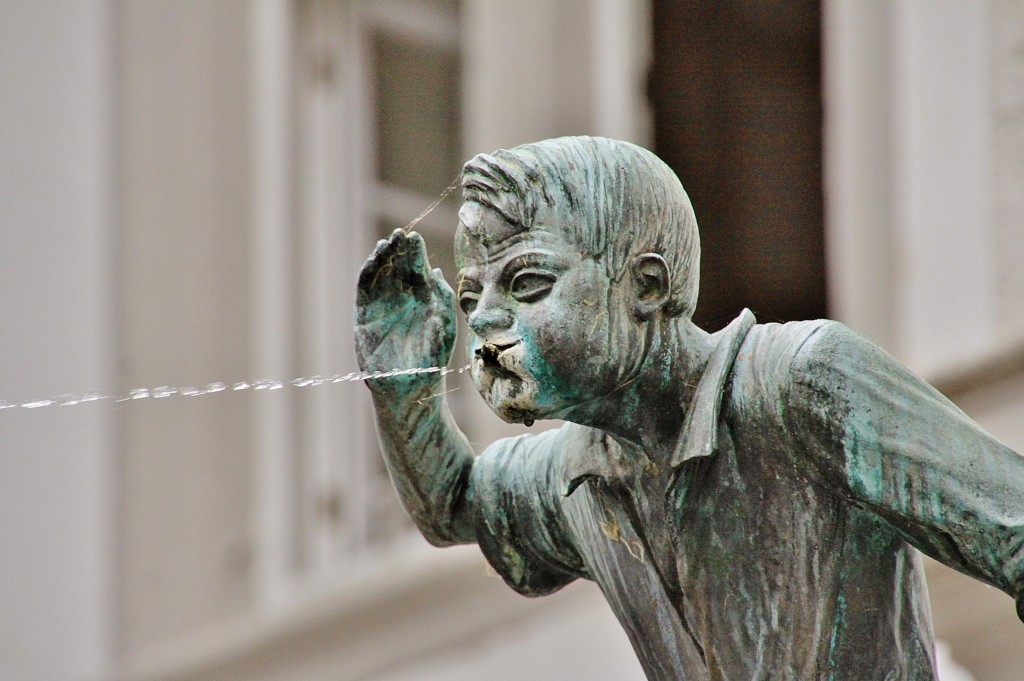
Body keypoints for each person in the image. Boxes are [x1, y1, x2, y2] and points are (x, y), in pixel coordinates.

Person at [354, 136, 1024, 680]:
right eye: (471, 300)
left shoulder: (802, 381)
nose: (488, 321)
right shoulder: (573, 472)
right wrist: (402, 387)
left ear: (645, 286)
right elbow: (454, 502)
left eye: (528, 283)